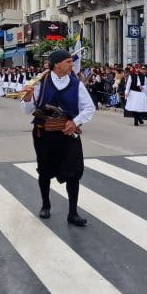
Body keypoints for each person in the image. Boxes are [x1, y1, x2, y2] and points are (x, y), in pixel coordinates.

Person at [20, 49, 95, 227]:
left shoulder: (76, 84)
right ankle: (45, 204)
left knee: (74, 173)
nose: (72, 64)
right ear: (57, 64)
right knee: (45, 171)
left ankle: (73, 213)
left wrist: (75, 122)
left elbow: (89, 108)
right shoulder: (39, 83)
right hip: (44, 134)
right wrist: (28, 97)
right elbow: (27, 110)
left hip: (68, 134)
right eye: (68, 61)